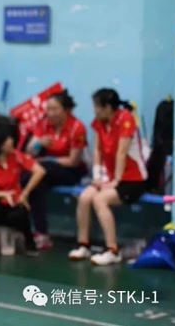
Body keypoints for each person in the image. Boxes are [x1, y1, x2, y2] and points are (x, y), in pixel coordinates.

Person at [69, 88, 147, 266]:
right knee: (85, 197)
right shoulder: (99, 122)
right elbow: (97, 150)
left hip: (133, 180)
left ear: (108, 108)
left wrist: (116, 181)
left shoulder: (126, 119)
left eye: (97, 107)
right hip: (110, 177)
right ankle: (83, 245)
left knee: (100, 200)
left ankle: (112, 251)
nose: (95, 111)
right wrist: (97, 176)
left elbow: (121, 153)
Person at [0, 122, 45, 260]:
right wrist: (4, 194)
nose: (11, 141)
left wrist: (25, 193)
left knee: (22, 210)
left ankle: (30, 244)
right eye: (7, 139)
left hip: (13, 205)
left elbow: (39, 171)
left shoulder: (17, 157)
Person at [25, 89, 88, 249]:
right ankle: (42, 234)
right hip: (46, 172)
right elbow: (29, 151)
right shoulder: (44, 123)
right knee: (37, 187)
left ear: (66, 110)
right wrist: (39, 143)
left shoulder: (77, 127)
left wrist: (48, 160)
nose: (50, 113)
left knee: (34, 173)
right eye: (48, 109)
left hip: (71, 171)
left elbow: (73, 161)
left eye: (54, 109)